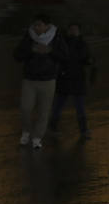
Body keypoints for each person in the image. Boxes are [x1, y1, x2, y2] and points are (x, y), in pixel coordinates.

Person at [12, 15, 68, 149]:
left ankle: (37, 137)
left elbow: (65, 56)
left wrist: (50, 51)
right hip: (30, 79)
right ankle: (26, 132)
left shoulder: (57, 37)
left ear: (47, 26)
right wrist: (30, 50)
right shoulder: (29, 37)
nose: (36, 28)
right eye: (35, 25)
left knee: (44, 111)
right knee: (25, 108)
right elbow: (17, 55)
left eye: (40, 25)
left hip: (48, 80)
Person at [48, 22, 94, 139]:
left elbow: (86, 58)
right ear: (68, 31)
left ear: (79, 31)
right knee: (58, 106)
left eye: (75, 29)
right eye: (71, 29)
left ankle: (83, 130)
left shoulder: (82, 44)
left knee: (80, 107)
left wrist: (89, 61)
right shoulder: (63, 43)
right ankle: (52, 128)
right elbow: (58, 56)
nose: (73, 31)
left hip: (77, 78)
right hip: (64, 77)